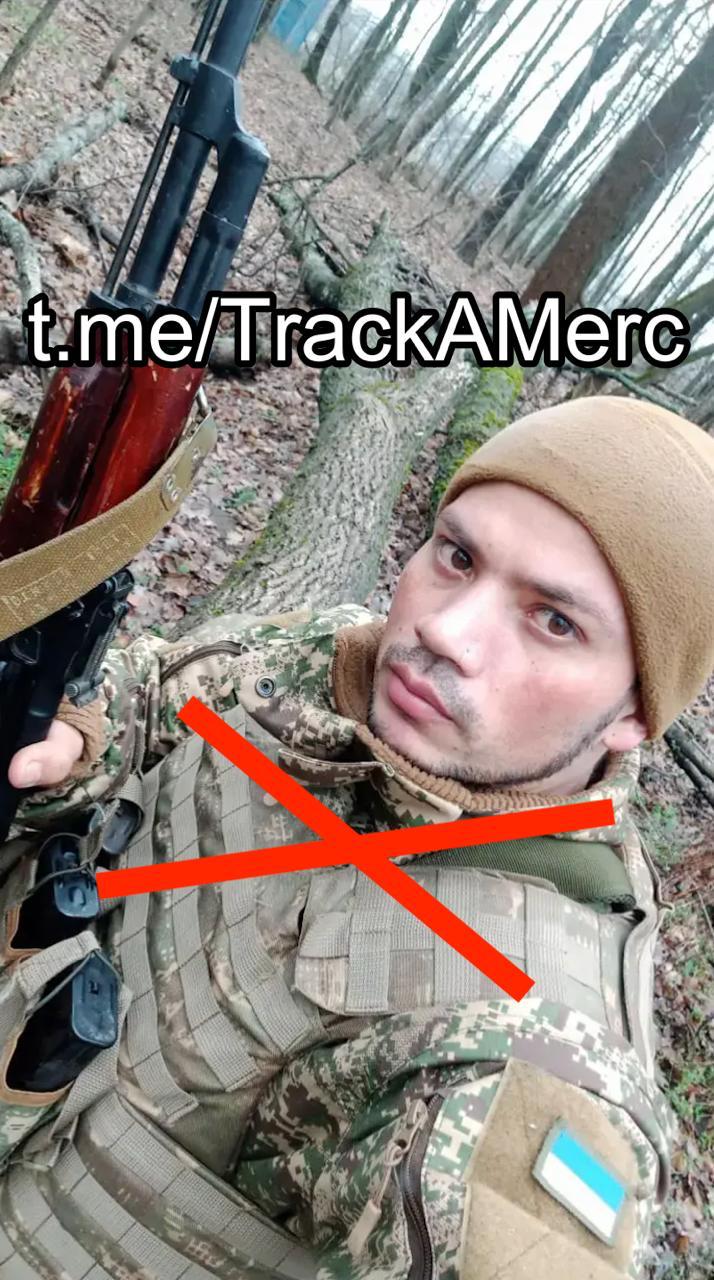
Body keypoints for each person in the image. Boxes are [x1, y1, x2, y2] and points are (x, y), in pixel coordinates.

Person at [0, 395, 712, 1280]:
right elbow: (152, 694)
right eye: (458, 557)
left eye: (554, 621)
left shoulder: (529, 1046)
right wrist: (80, 736)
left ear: (636, 714)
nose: (445, 631)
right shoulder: (335, 661)